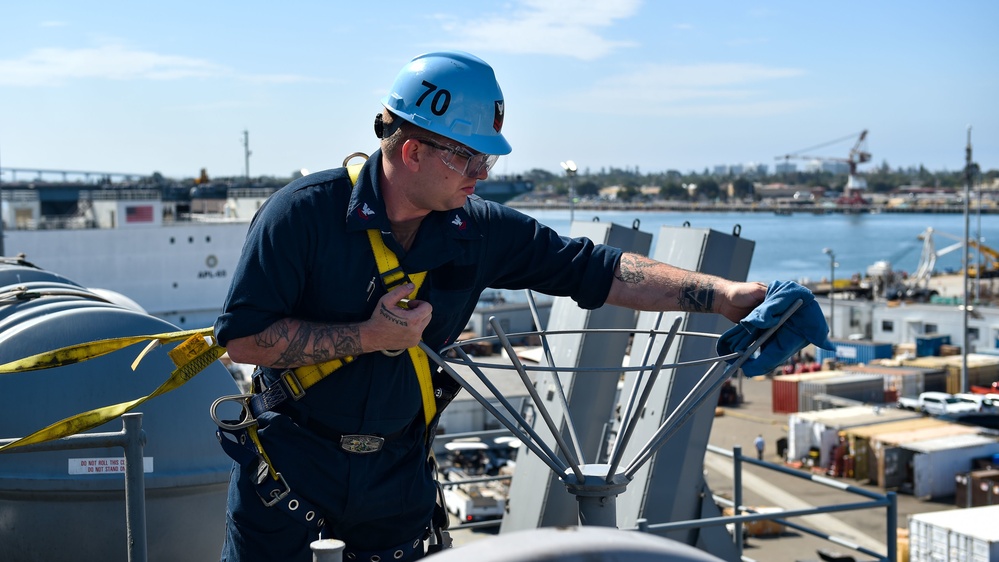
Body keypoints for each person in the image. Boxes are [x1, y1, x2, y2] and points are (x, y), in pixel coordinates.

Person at [213, 50, 768, 562]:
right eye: (470, 158)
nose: (482, 175)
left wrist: (723, 295)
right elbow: (241, 338)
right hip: (287, 479)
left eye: (488, 161)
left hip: (397, 488)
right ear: (412, 151)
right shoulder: (301, 216)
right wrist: (369, 337)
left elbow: (594, 268)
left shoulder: (478, 230)